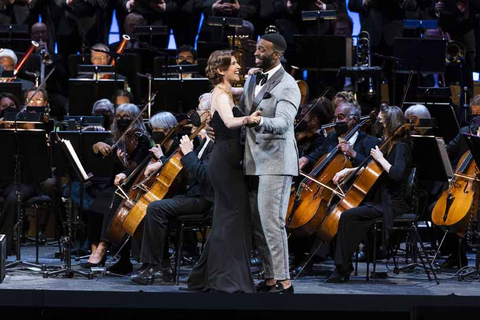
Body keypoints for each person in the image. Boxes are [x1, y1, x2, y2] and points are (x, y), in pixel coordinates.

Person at [187, 50, 261, 293]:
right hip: (225, 162)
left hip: (229, 160)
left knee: (227, 218)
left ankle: (202, 277)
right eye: (235, 64)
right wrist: (249, 119)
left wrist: (251, 76)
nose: (238, 66)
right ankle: (223, 279)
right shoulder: (219, 95)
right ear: (221, 70)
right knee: (230, 219)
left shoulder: (226, 91)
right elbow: (229, 122)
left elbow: (243, 91)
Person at [238, 33, 300, 294]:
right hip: (252, 161)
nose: (256, 53)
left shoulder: (288, 85)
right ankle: (270, 278)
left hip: (275, 162)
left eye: (262, 50)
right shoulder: (253, 77)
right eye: (256, 48)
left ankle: (285, 281)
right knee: (258, 225)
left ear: (277, 55)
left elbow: (284, 123)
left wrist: (258, 120)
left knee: (272, 222)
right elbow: (243, 110)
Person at [130, 95, 214, 285]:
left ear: (208, 114)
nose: (195, 113)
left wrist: (189, 153)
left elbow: (204, 176)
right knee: (151, 205)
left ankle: (155, 266)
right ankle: (162, 266)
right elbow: (180, 167)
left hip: (205, 199)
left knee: (156, 208)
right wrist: (164, 163)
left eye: (199, 110)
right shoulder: (203, 140)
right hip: (193, 194)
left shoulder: (213, 143)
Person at [326, 105, 412, 283]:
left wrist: (380, 158)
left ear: (390, 122)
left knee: (349, 216)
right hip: (381, 199)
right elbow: (372, 170)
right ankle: (343, 265)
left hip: (393, 203)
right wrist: (348, 172)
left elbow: (397, 173)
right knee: (347, 214)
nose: (379, 124)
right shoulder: (388, 143)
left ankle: (342, 267)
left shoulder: (401, 146)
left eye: (381, 121)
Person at [81, 103, 151, 268]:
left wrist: (124, 162)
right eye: (119, 116)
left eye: (127, 117)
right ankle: (94, 248)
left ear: (136, 119)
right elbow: (95, 153)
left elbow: (138, 168)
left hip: (133, 186)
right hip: (115, 185)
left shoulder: (143, 140)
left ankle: (104, 248)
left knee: (112, 206)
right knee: (94, 206)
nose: (122, 120)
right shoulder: (115, 137)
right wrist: (97, 146)